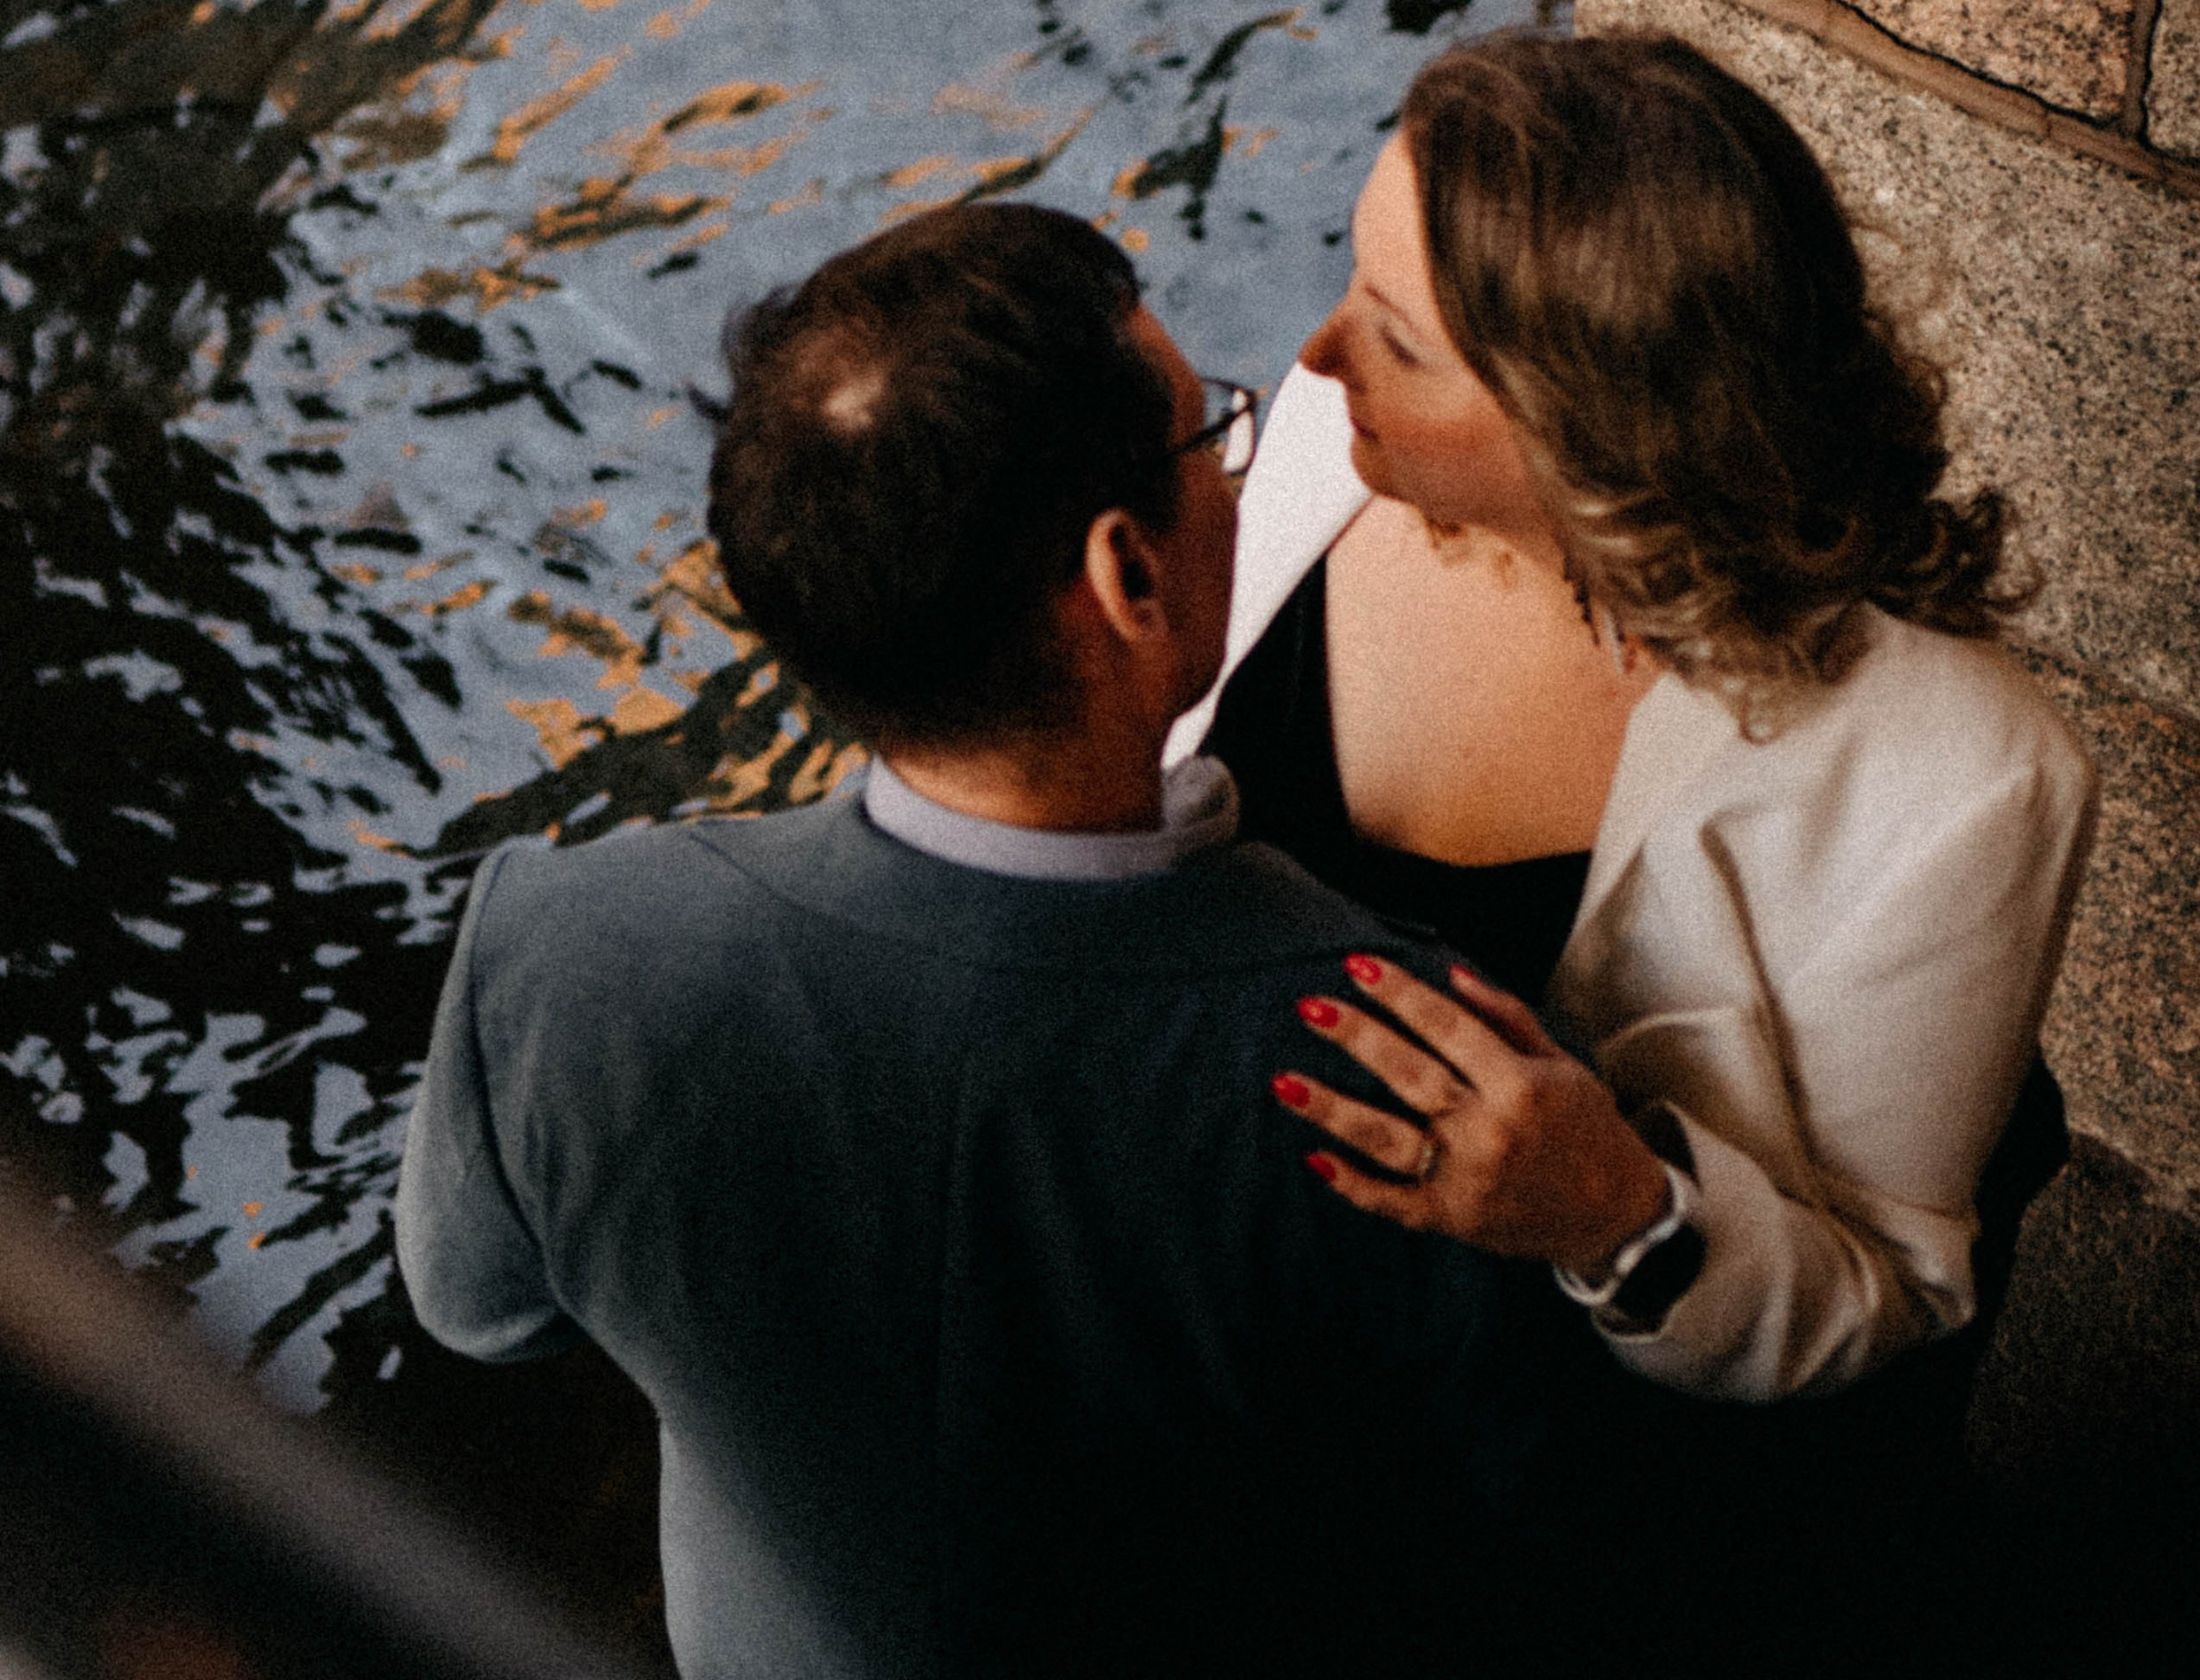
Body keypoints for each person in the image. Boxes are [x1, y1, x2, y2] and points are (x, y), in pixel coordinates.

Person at [394, 202, 1566, 1680]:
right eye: (1218, 446)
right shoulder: (1395, 1066)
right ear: (1126, 581)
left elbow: (479, 1309)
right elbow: (1515, 1519)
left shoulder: (555, 949)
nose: (1238, 474)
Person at [1178, 26, 2097, 1642]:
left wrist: (1621, 1214)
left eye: (1395, 336)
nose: (1314, 361)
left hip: (1616, 1534)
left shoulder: (1965, 779)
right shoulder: (1335, 453)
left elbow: (1886, 1296)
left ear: (1587, 429)